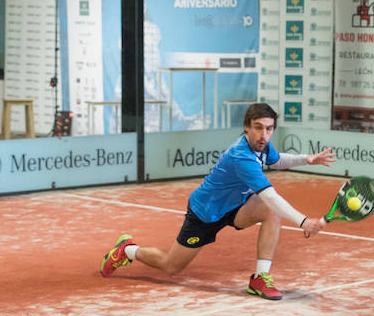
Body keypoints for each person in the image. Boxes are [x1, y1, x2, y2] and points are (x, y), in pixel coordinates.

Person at [99, 103, 337, 300]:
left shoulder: (261, 145)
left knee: (268, 211)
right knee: (171, 266)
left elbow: (275, 160)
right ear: (246, 128)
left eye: (269, 129)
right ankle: (127, 250)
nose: (264, 135)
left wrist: (307, 159)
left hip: (235, 206)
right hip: (206, 213)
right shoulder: (241, 156)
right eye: (258, 128)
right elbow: (270, 195)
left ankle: (259, 278)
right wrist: (303, 221)